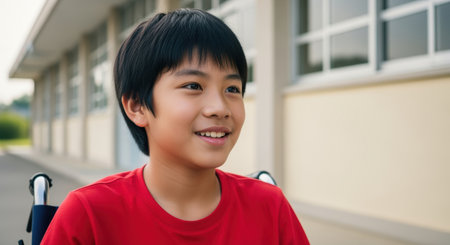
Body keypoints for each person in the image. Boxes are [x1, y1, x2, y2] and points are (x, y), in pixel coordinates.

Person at [42, 9, 309, 244]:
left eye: (232, 88)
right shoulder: (89, 214)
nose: (219, 107)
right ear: (137, 106)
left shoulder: (269, 208)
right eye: (193, 86)